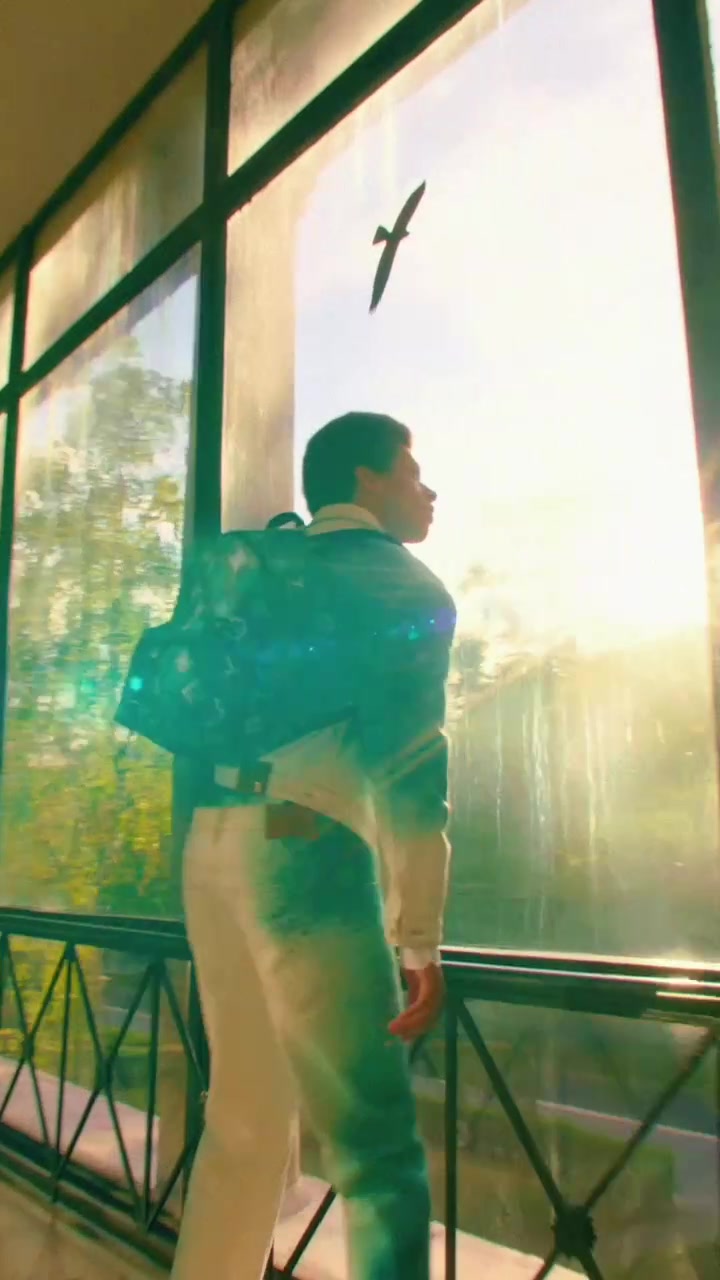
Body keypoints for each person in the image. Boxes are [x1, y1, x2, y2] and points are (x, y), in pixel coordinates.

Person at [172, 412, 456, 1280]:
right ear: (368, 481)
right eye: (412, 472)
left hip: (213, 841)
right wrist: (418, 939)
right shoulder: (403, 586)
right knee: (379, 1154)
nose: (429, 491)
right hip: (303, 845)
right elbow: (413, 776)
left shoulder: (263, 568)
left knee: (244, 1124)